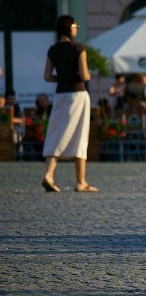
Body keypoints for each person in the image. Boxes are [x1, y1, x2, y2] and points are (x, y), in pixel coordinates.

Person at [41, 15, 98, 193]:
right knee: (80, 135)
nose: (77, 28)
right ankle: (79, 181)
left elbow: (47, 77)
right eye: (75, 25)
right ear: (69, 28)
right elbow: (85, 75)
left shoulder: (53, 50)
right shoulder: (78, 48)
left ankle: (53, 174)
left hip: (60, 95)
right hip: (78, 94)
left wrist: (63, 78)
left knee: (56, 132)